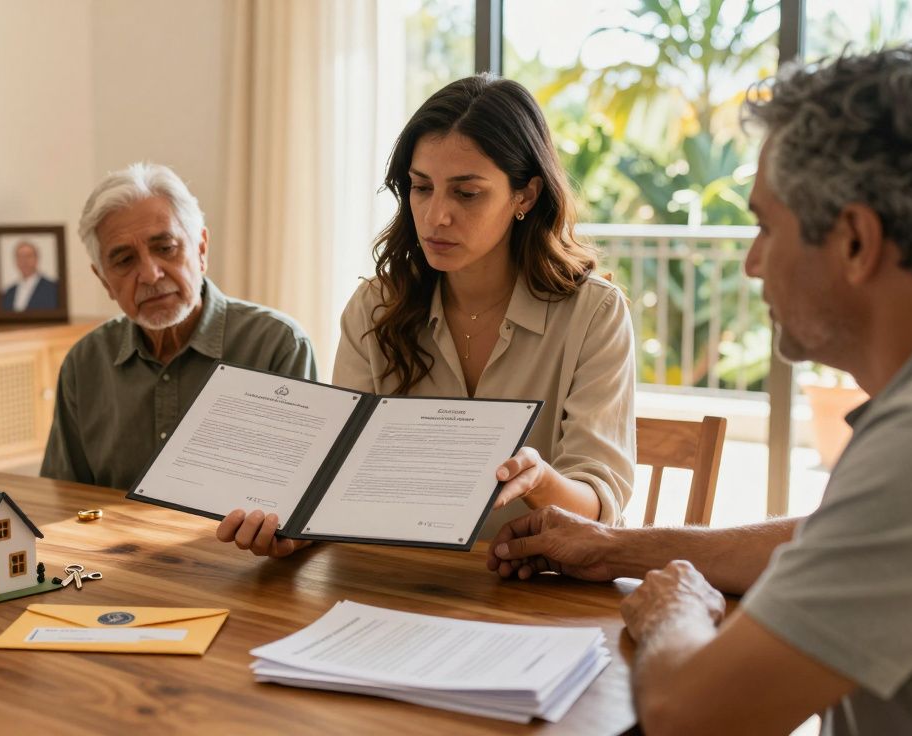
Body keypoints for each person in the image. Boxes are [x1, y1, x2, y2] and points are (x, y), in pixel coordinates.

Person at [488, 45, 912, 736]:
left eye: (763, 225)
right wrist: (612, 546)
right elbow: (826, 538)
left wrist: (676, 611)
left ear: (854, 241)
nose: (752, 264)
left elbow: (686, 712)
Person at [219, 75, 635, 558]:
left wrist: (538, 480)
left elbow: (599, 510)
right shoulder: (374, 308)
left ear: (525, 195)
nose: (436, 215)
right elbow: (338, 484)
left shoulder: (594, 314)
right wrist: (291, 529)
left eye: (467, 193)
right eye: (421, 187)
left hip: (535, 591)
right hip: (395, 581)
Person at [40, 162, 318, 489]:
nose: (150, 274)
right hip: (115, 541)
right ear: (103, 280)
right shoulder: (84, 363)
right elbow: (63, 497)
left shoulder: (277, 345)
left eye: (165, 248)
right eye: (124, 260)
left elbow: (297, 497)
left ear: (201, 249)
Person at [0, 240, 60, 311]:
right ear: (16, 261)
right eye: (20, 257)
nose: (24, 261)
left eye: (28, 256)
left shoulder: (53, 289)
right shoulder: (8, 293)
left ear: (36, 259)